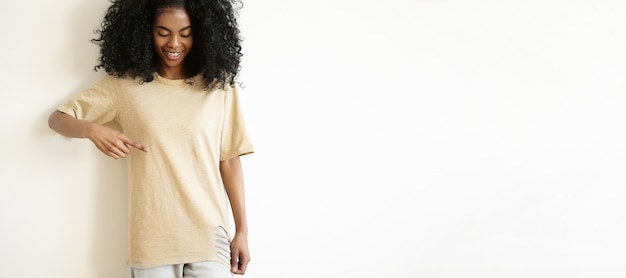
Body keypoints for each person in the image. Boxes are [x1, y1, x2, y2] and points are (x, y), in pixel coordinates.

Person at [48, 0, 253, 277]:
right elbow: (58, 119)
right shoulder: (124, 84)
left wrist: (242, 231)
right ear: (145, 30)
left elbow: (229, 161)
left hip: (209, 238)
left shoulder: (219, 86)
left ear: (202, 32)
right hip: (152, 239)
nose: (174, 43)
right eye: (163, 31)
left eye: (185, 32)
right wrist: (92, 130)